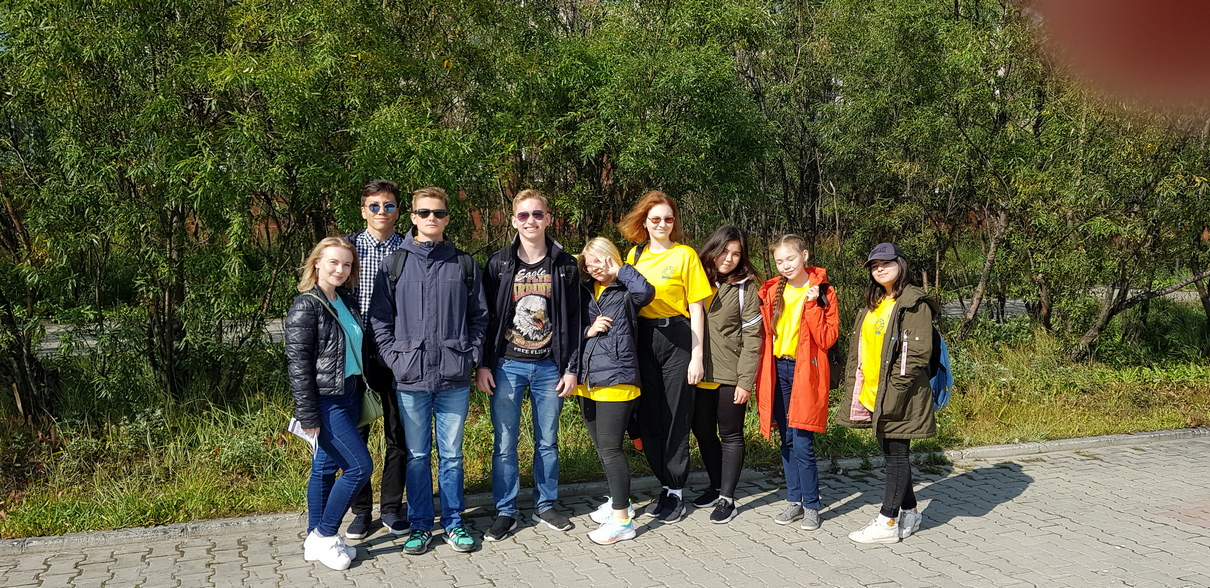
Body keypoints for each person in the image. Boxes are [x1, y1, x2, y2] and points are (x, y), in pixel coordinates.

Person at [369, 186, 489, 555]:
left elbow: (479, 317)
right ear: (413, 217)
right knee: (418, 456)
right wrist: (395, 358)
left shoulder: (463, 264)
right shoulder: (395, 264)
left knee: (451, 455)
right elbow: (380, 320)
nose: (431, 218)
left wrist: (470, 355)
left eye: (438, 213)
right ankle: (420, 525)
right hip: (411, 378)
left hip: (453, 376)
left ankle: (453, 523)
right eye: (424, 212)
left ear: (447, 218)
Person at [477, 189, 582, 542]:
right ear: (513, 221)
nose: (531, 221)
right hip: (507, 366)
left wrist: (571, 368)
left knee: (547, 442)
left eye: (537, 214)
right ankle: (506, 511)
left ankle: (545, 504)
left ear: (548, 218)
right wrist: (483, 364)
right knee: (505, 443)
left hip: (549, 367)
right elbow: (486, 318)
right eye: (523, 215)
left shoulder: (564, 264)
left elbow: (574, 320)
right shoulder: (499, 263)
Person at [618, 190, 712, 523]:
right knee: (648, 417)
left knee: (675, 416)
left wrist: (697, 356)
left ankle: (676, 491)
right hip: (642, 339)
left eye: (668, 219)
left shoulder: (685, 255)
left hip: (677, 338)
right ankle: (664, 484)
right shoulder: (634, 255)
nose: (662, 224)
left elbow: (697, 308)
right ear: (644, 222)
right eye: (655, 218)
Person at [836, 243, 938, 544]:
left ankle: (888, 521)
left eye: (886, 262)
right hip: (873, 393)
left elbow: (915, 355)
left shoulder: (913, 303)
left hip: (900, 394)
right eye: (874, 265)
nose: (879, 268)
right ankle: (911, 511)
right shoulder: (877, 301)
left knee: (896, 456)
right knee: (893, 454)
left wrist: (893, 394)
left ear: (900, 264)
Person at [285, 237, 373, 571]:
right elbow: (298, 365)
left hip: (350, 394)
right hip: (325, 400)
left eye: (347, 264)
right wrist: (308, 413)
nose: (340, 269)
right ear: (317, 263)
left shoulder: (344, 300)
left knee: (324, 468)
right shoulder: (306, 305)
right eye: (334, 262)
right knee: (359, 467)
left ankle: (315, 540)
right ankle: (325, 533)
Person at [753, 234, 839, 532]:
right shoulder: (771, 291)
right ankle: (794, 501)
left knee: (803, 442)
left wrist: (813, 305)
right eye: (779, 261)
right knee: (787, 440)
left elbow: (827, 338)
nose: (785, 265)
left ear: (804, 255)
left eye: (790, 258)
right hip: (777, 370)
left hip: (806, 373)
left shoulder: (824, 291)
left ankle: (812, 505)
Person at [575, 237, 654, 545]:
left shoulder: (625, 290)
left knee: (610, 450)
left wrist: (620, 270)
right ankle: (621, 502)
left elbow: (646, 292)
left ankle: (622, 522)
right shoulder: (584, 290)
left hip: (617, 378)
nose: (594, 267)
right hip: (587, 380)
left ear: (612, 258)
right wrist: (588, 330)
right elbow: (569, 326)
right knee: (602, 449)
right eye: (589, 262)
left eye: (600, 260)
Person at [344, 179, 408, 539]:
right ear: (363, 211)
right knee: (357, 434)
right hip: (356, 354)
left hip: (397, 353)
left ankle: (392, 508)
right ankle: (360, 511)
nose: (382, 211)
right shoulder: (348, 249)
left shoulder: (410, 248)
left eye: (389, 205)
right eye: (374, 206)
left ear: (398, 211)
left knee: (399, 434)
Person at [691, 226, 763, 523]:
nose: (729, 259)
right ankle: (716, 485)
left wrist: (746, 381)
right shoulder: (695, 278)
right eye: (725, 251)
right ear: (713, 249)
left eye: (736, 254)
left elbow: (753, 338)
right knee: (703, 432)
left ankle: (728, 499)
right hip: (697, 372)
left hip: (730, 375)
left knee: (731, 434)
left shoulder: (745, 288)